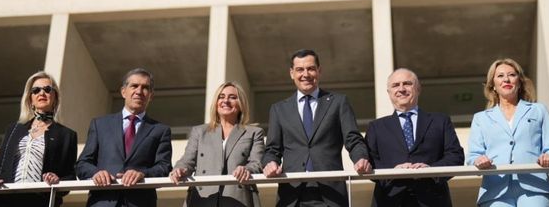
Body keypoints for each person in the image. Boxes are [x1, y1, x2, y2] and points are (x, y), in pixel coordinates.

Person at [262, 49, 372, 207]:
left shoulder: (338, 102)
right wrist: (270, 162)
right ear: (292, 73)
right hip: (292, 195)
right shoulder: (279, 109)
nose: (305, 74)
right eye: (300, 69)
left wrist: (361, 158)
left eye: (311, 68)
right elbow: (272, 149)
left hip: (330, 193)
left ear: (319, 71)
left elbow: (353, 139)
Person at [467, 58, 549, 207]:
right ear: (493, 86)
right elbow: (473, 156)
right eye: (500, 76)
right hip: (495, 189)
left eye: (511, 74)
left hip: (535, 185)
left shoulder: (538, 110)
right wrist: (478, 160)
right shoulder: (481, 118)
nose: (506, 79)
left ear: (519, 81)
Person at [365, 68, 464, 207]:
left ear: (418, 88)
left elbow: (456, 156)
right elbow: (370, 161)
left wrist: (431, 170)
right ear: (389, 93)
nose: (401, 89)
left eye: (407, 83)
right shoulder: (376, 127)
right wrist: (392, 172)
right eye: (395, 85)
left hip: (432, 200)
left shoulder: (440, 121)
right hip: (390, 200)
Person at [76, 68, 172, 207]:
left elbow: (164, 167)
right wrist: (96, 173)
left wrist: (142, 174)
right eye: (134, 86)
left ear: (151, 95)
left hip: (140, 202)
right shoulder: (100, 124)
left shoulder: (161, 130)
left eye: (145, 88)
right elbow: (82, 164)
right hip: (102, 201)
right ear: (123, 91)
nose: (139, 91)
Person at [0, 71, 78, 207]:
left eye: (47, 89)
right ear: (30, 98)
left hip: (40, 201)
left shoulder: (67, 135)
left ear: (55, 97)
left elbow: (70, 177)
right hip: (6, 200)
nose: (42, 93)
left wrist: (58, 180)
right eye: (36, 90)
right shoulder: (14, 129)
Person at [171, 81, 265, 206]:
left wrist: (247, 169)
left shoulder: (254, 132)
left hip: (239, 198)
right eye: (221, 97)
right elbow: (187, 161)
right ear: (216, 103)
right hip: (202, 198)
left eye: (232, 97)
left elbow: (257, 163)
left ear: (241, 104)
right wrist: (179, 170)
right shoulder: (199, 131)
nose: (225, 101)